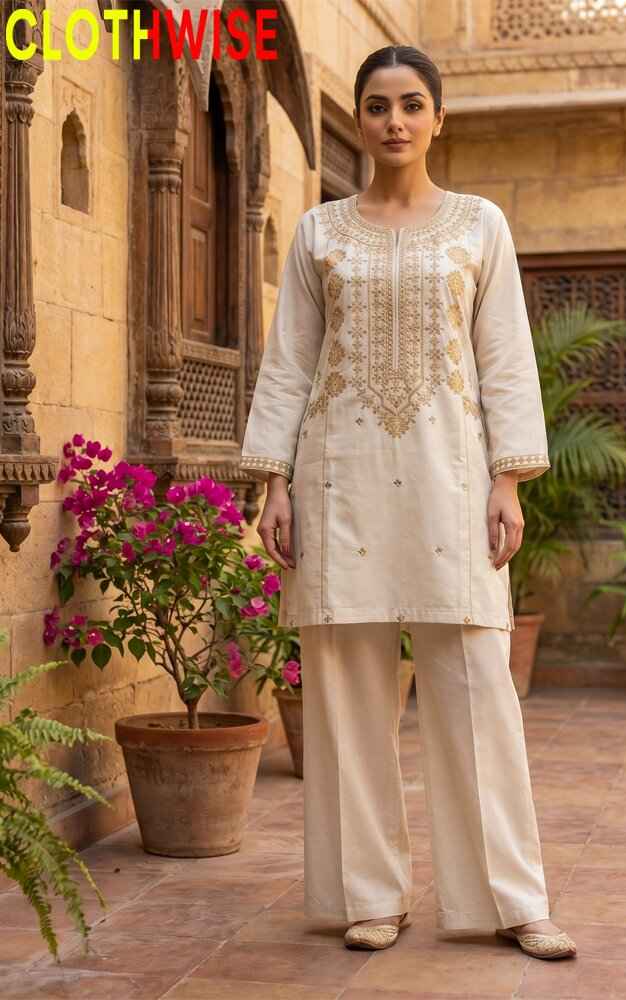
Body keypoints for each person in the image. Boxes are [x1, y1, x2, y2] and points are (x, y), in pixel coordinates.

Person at [241, 44, 577, 961]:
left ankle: (512, 900)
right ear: (361, 119)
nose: (394, 121)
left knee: (476, 687)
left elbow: (505, 352)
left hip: (452, 478)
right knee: (348, 693)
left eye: (411, 104)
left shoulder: (479, 225)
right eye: (378, 105)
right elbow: (290, 362)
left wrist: (509, 478)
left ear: (439, 118)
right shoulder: (320, 233)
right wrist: (275, 482)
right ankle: (369, 894)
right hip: (338, 475)